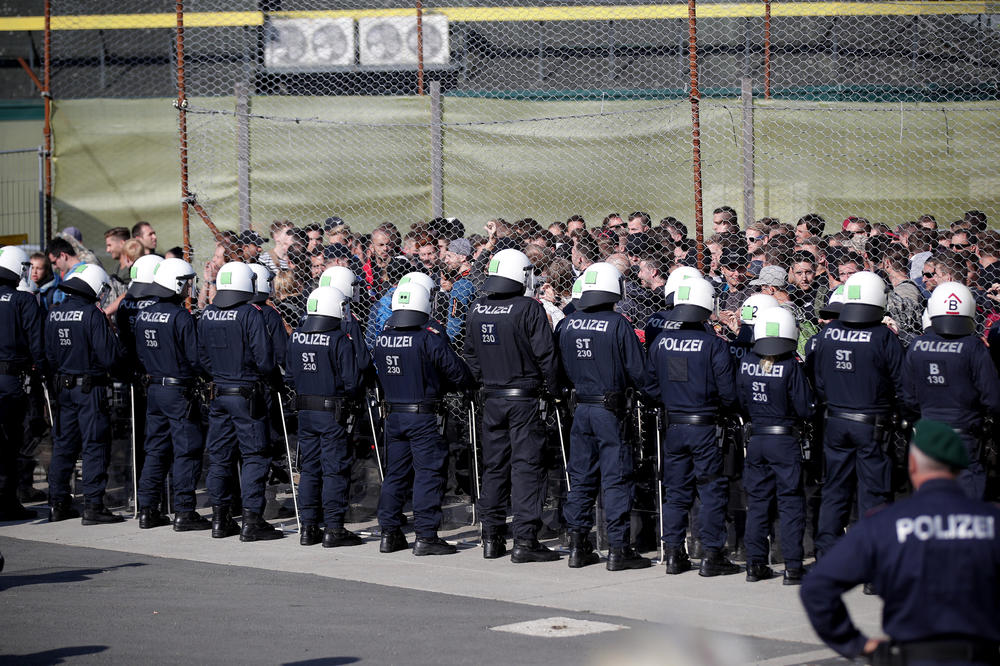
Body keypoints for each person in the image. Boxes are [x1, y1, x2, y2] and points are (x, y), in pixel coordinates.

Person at [801, 419, 1000, 663]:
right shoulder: (991, 522)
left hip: (911, 657)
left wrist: (857, 644)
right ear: (959, 469)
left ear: (913, 464)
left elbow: (817, 587)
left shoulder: (884, 524)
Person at [463, 248, 560, 562]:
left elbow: (471, 355)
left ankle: (491, 537)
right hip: (524, 399)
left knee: (494, 468)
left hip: (492, 398)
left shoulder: (477, 308)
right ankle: (525, 541)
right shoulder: (527, 308)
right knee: (526, 469)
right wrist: (556, 391)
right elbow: (546, 356)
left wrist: (483, 381)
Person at [557, 262, 650, 571]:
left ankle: (578, 544)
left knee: (581, 477)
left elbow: (557, 371)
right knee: (616, 476)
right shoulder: (618, 323)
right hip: (610, 411)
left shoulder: (568, 323)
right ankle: (619, 548)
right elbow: (638, 372)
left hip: (581, 407)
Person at [645, 276, 741, 576]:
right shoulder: (714, 345)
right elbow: (728, 393)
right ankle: (712, 554)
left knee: (676, 491)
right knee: (711, 489)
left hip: (674, 425)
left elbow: (650, 386)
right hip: (705, 425)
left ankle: (674, 553)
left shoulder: (661, 341)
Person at [374, 282, 474, 555]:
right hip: (424, 416)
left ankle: (389, 532)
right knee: (428, 475)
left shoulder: (383, 336)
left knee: (396, 475)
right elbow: (455, 371)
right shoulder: (428, 336)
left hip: (394, 414)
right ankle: (426, 536)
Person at [811, 271, 904, 559]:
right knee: (874, 495)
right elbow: (901, 384)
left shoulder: (828, 334)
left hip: (836, 421)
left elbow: (819, 380)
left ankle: (826, 556)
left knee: (835, 490)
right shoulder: (883, 337)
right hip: (872, 424)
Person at [198, 261, 282, 542]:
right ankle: (251, 521)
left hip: (219, 391)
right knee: (255, 456)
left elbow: (202, 357)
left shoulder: (208, 313)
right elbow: (265, 360)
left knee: (220, 457)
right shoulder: (250, 313)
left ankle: (220, 520)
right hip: (247, 393)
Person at [735, 307, 813, 584]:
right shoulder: (791, 366)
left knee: (757, 501)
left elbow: (741, 401)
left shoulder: (745, 362)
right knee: (790, 502)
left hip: (756, 438)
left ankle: (755, 564)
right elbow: (805, 408)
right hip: (784, 440)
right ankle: (792, 567)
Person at [133, 258, 211, 531]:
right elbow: (195, 358)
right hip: (178, 391)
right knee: (186, 451)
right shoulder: (180, 317)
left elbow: (140, 354)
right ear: (177, 284)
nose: (190, 286)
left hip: (154, 388)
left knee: (155, 450)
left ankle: (147, 509)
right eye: (188, 282)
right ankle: (184, 511)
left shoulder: (144, 314)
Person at [902, 282, 1000, 499]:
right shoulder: (973, 347)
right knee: (968, 510)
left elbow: (907, 397)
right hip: (964, 437)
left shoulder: (916, 346)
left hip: (928, 438)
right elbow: (993, 398)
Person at [45, 263, 126, 524]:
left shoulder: (54, 313)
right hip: (90, 389)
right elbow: (110, 357)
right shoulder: (92, 314)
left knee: (64, 445)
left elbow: (48, 355)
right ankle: (93, 506)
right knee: (94, 445)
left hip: (63, 388)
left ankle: (57, 503)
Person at [286, 286, 364, 548]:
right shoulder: (339, 339)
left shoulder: (296, 336)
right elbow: (352, 381)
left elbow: (289, 374)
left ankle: (308, 528)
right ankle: (333, 528)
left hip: (305, 412)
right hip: (332, 413)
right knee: (334, 471)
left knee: (309, 469)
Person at [0, 246, 45, 521]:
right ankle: (7, 501)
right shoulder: (23, 301)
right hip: (10, 380)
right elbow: (37, 344)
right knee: (10, 442)